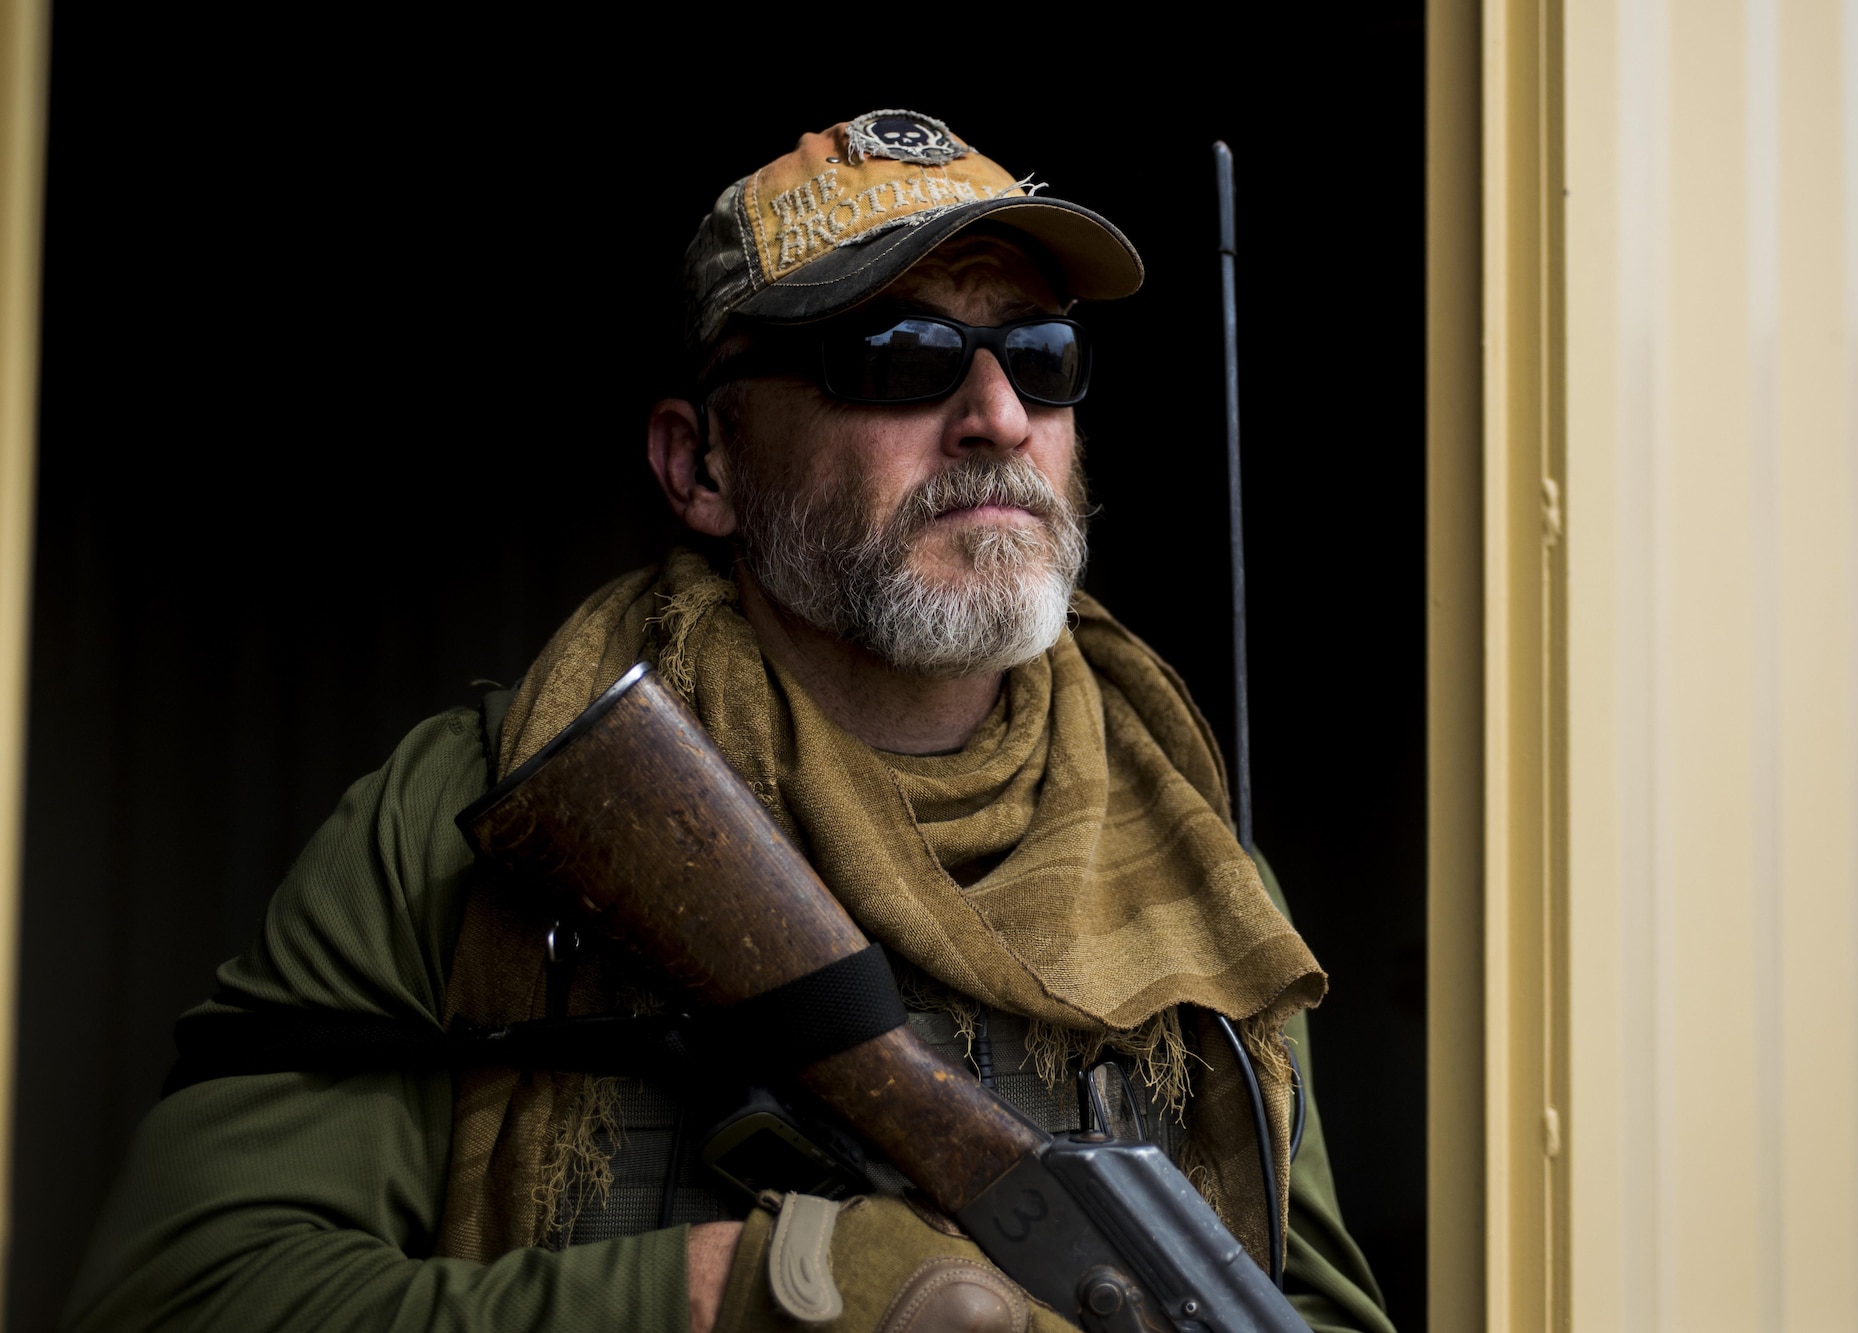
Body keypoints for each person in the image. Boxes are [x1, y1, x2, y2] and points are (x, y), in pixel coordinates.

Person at [63, 111, 1395, 1333]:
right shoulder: (490, 802)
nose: (995, 415)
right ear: (701, 466)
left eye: (1039, 356)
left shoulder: (1203, 879)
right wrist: (745, 1290)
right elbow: (181, 1294)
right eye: (899, 355)